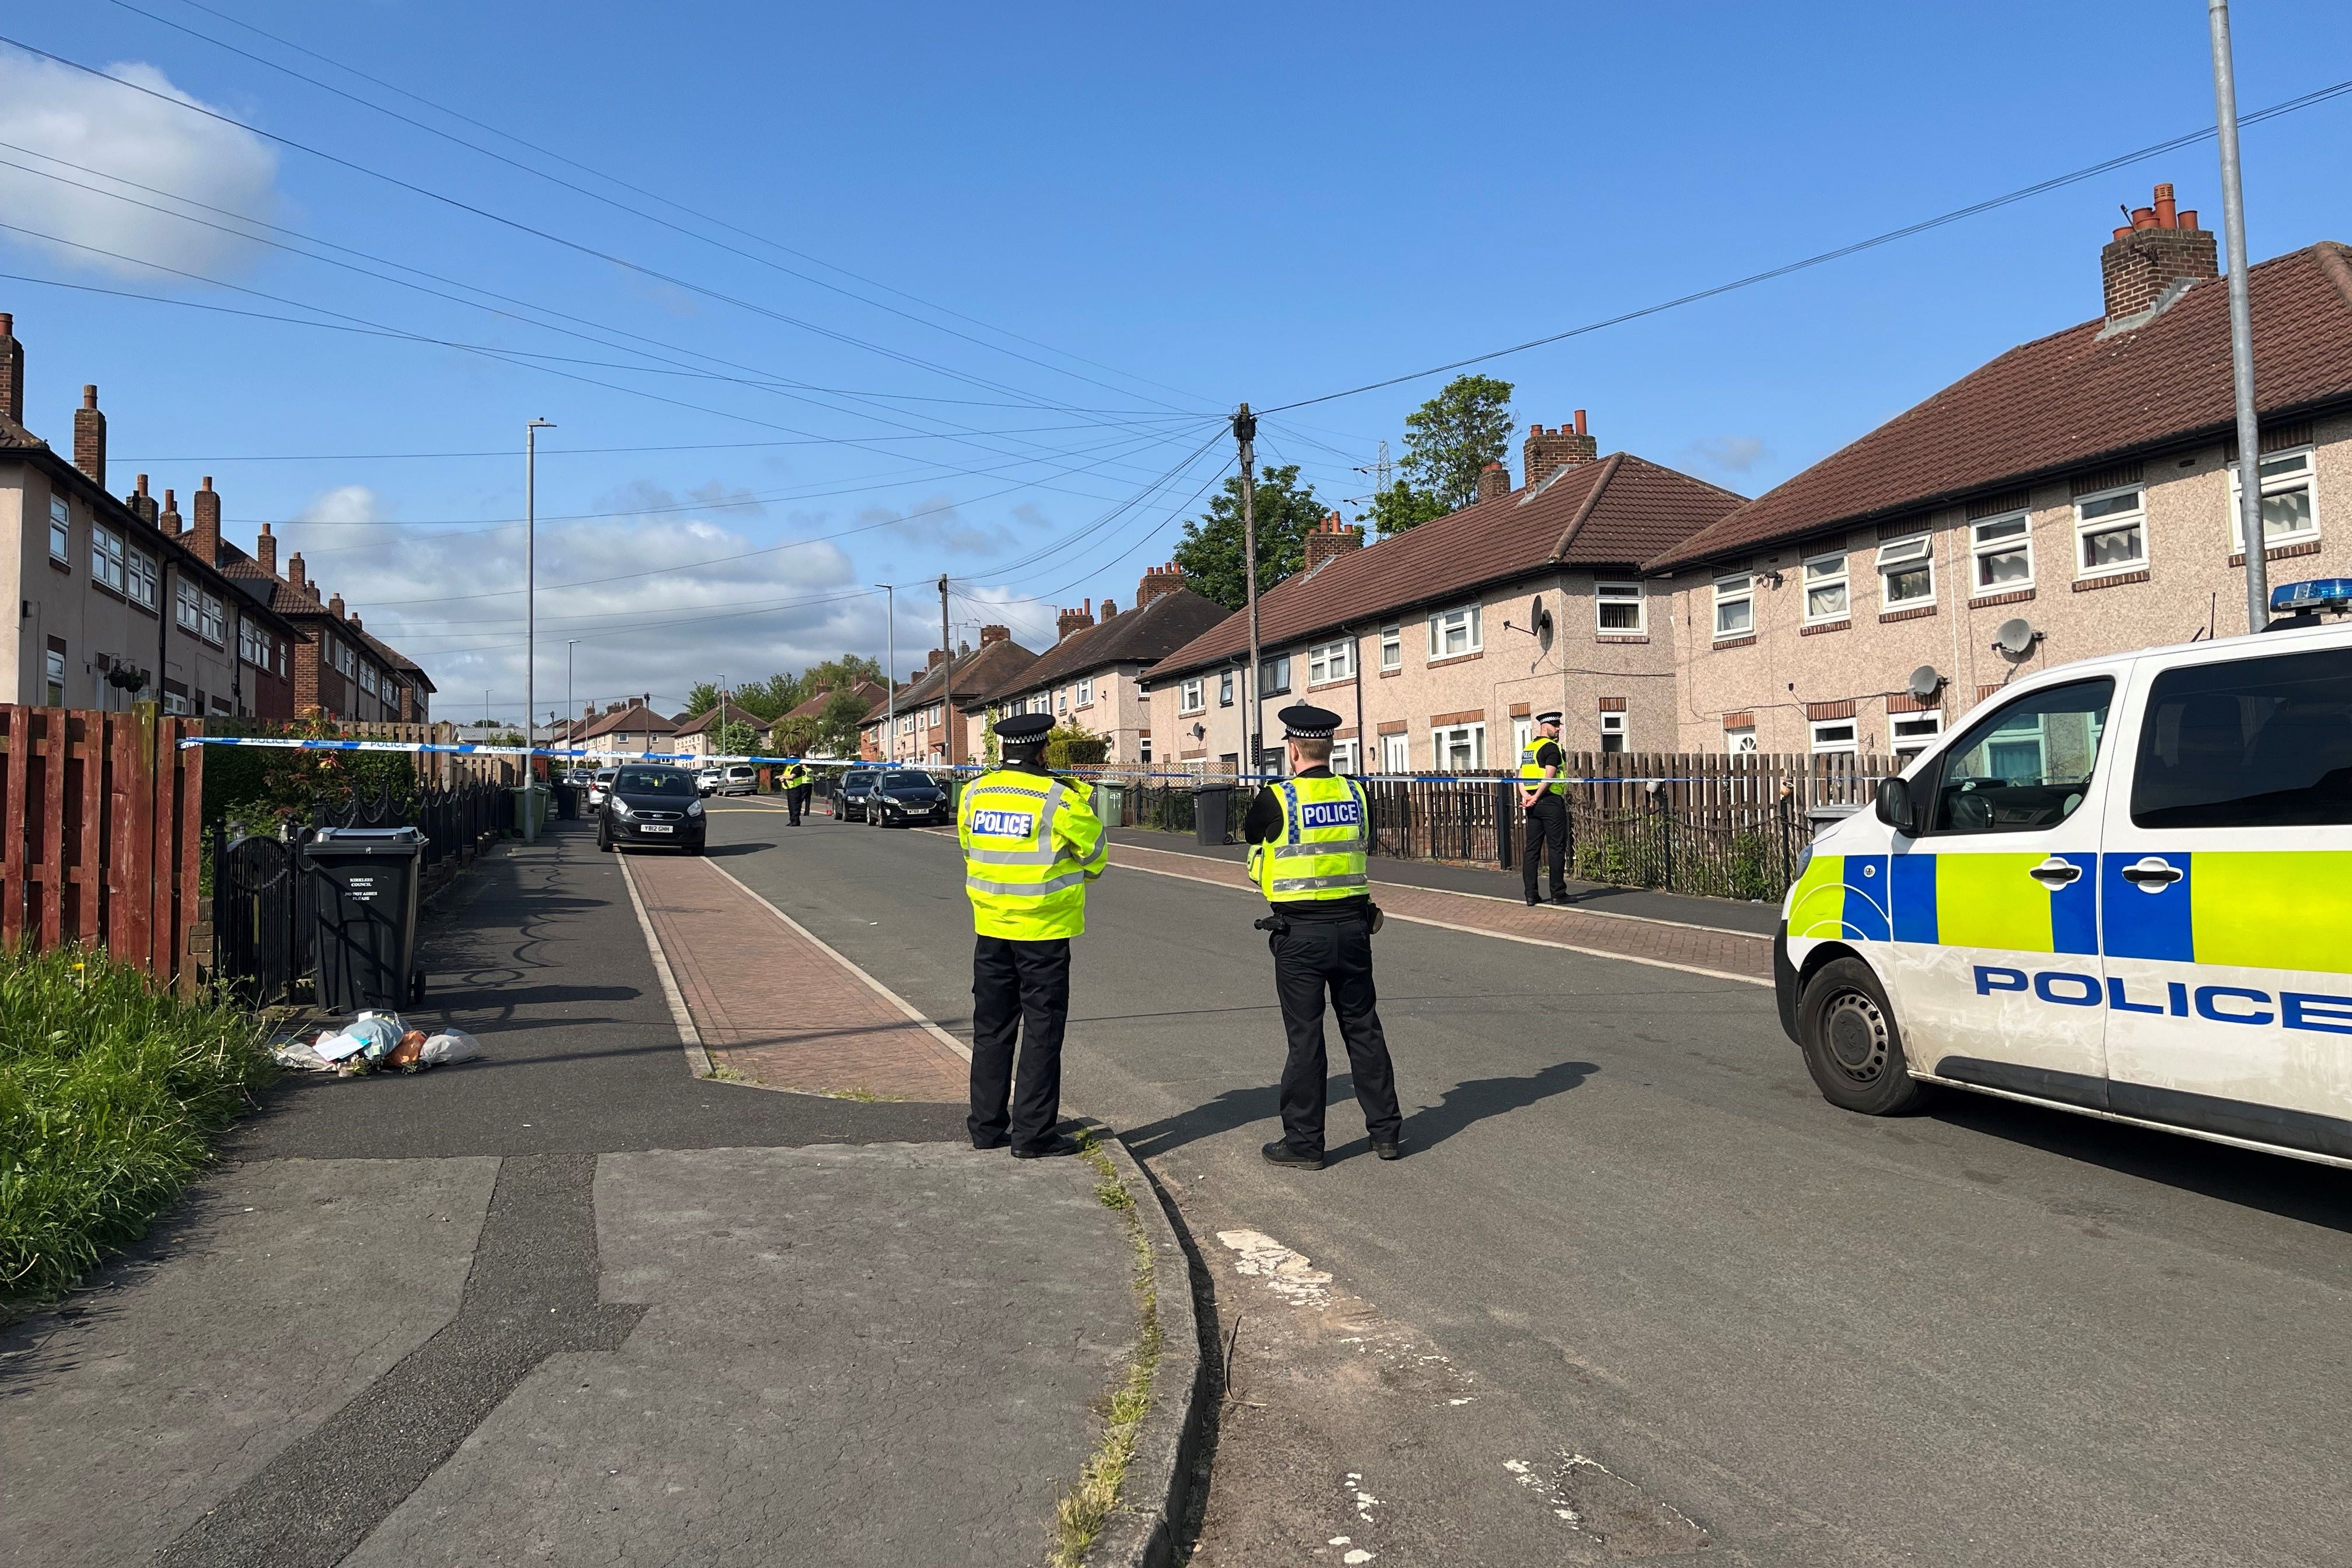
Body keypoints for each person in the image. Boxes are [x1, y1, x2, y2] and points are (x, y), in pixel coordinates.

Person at [1245, 704, 1404, 1170]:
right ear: (1330, 747)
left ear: (1292, 749)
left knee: (1306, 1039)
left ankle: (1305, 1143)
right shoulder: (1358, 794)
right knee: (1363, 1029)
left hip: (1300, 938)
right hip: (1354, 931)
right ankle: (1387, 1133)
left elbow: (1253, 835)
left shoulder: (1277, 798)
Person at [957, 712, 1106, 1158]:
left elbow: (969, 849)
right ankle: (1033, 1135)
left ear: (1004, 749)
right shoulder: (1059, 799)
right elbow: (1096, 856)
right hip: (1043, 932)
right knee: (1041, 1032)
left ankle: (985, 1128)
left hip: (990, 929)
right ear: (1043, 751)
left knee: (991, 1029)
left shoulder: (974, 793)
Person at [1519, 710, 1569, 907]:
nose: (1558, 729)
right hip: (1550, 802)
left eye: (1559, 726)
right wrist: (1537, 796)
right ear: (1544, 727)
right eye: (1555, 725)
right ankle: (1558, 894)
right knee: (1557, 848)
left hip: (1533, 804)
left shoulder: (1529, 748)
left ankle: (1531, 895)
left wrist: (1527, 797)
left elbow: (1521, 776)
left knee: (1532, 849)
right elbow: (1549, 776)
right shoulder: (1551, 747)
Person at [782, 757, 811, 825]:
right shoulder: (790, 767)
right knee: (791, 806)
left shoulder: (798, 768)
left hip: (798, 788)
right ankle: (792, 820)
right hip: (792, 788)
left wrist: (783, 777)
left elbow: (792, 777)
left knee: (796, 805)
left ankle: (796, 821)